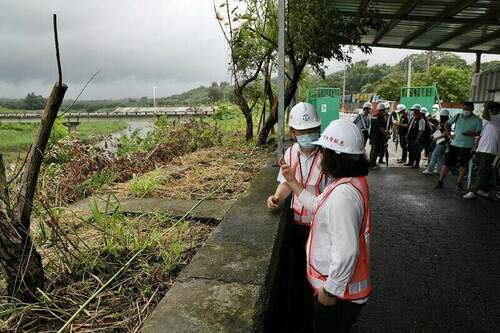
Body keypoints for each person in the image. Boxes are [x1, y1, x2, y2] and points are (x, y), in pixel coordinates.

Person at [280, 119, 371, 333]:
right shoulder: (349, 182)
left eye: (324, 150)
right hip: (341, 291)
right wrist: (293, 182)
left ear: (334, 156)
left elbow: (347, 251)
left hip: (340, 295)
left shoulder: (343, 196)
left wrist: (330, 291)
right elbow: (317, 204)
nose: (321, 155)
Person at [267, 102, 330, 331]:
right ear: (293, 132)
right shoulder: (290, 152)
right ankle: (300, 319)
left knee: (318, 274)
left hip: (320, 228)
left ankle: (316, 319)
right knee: (298, 274)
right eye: (302, 132)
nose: (307, 136)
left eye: (312, 130)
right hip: (296, 225)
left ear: (319, 128)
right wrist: (276, 197)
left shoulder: (327, 155)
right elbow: (285, 183)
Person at [435, 102, 483, 190]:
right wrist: (449, 135)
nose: (465, 111)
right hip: (454, 144)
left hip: (467, 146)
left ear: (472, 109)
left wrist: (472, 134)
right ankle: (440, 181)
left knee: (463, 165)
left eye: (468, 109)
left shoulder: (477, 120)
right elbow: (446, 124)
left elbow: (480, 133)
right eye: (464, 109)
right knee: (447, 164)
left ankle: (458, 182)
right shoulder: (457, 116)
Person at [464, 102, 500, 199]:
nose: (489, 110)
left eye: (491, 108)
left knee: (482, 171)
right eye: (489, 108)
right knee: (483, 171)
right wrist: (475, 147)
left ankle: (473, 191)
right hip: (481, 148)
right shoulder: (486, 120)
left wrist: (487, 106)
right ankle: (483, 190)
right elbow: (481, 135)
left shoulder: (497, 118)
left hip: (489, 149)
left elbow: (484, 114)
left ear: (495, 110)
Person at [423, 109, 450, 175]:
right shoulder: (446, 122)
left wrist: (436, 138)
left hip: (442, 142)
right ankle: (439, 170)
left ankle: (430, 170)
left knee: (434, 156)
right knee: (440, 157)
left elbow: (444, 134)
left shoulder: (446, 123)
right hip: (443, 142)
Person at [405, 104, 428, 169]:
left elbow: (421, 130)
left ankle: (416, 164)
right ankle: (410, 162)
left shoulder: (421, 120)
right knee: (411, 150)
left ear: (417, 111)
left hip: (416, 138)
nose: (413, 112)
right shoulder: (414, 118)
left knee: (416, 151)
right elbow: (410, 127)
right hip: (411, 137)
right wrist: (407, 135)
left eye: (414, 110)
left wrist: (417, 139)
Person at [369, 102, 389, 169]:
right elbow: (380, 127)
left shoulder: (374, 116)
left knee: (373, 150)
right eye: (384, 110)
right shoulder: (380, 117)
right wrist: (386, 134)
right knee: (375, 150)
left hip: (373, 135)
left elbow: (372, 126)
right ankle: (372, 165)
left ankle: (371, 163)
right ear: (382, 110)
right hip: (377, 136)